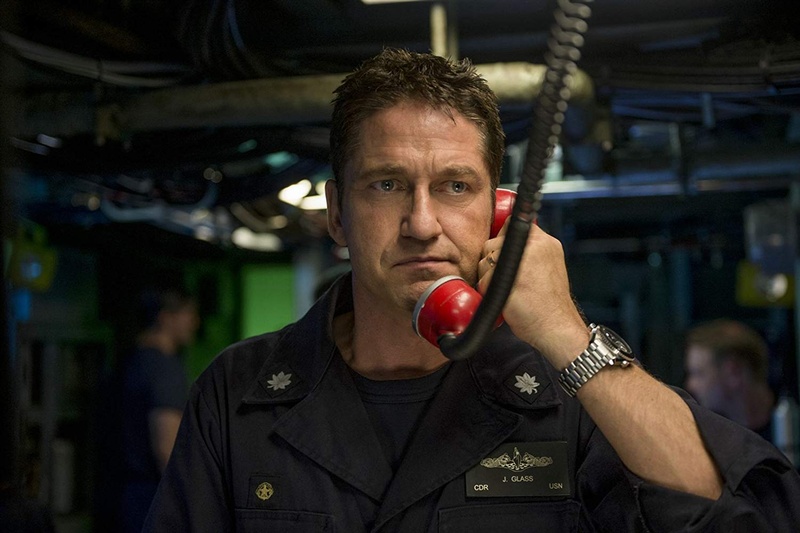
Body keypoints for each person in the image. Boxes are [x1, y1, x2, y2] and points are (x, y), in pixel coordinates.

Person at [144, 49, 800, 531]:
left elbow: (750, 519)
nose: (422, 223)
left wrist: (567, 334)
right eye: (387, 184)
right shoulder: (238, 393)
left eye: (455, 186)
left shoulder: (565, 395)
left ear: (497, 212)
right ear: (338, 214)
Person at [121, 285, 198, 533]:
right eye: (188, 314)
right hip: (153, 497)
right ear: (165, 318)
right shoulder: (165, 369)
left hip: (128, 496)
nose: (194, 322)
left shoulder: (133, 360)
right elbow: (167, 448)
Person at [684, 319, 777, 439]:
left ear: (734, 372)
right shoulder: (713, 437)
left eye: (699, 374)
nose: (690, 385)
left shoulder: (790, 428)